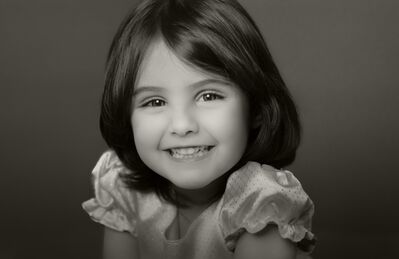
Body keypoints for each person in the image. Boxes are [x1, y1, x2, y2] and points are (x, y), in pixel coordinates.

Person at [82, 0, 316, 258]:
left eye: (209, 96)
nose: (182, 126)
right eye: (155, 102)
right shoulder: (125, 190)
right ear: (127, 116)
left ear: (256, 109)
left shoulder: (261, 205)